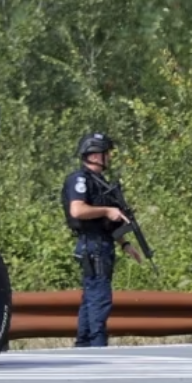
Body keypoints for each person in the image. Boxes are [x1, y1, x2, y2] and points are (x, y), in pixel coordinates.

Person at [64, 131, 129, 348]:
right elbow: (77, 210)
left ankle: (84, 344)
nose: (109, 157)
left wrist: (125, 243)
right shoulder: (80, 179)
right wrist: (107, 210)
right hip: (92, 244)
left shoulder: (100, 182)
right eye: (105, 153)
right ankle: (97, 345)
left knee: (91, 297)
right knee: (99, 298)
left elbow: (110, 221)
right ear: (93, 155)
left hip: (101, 242)